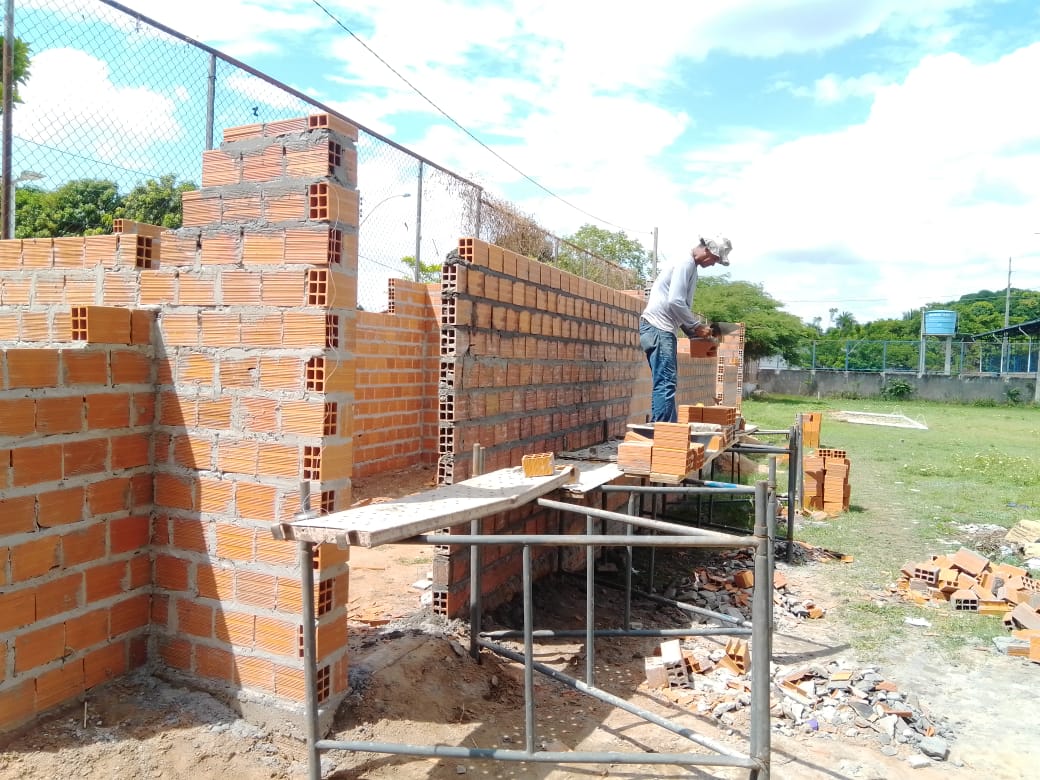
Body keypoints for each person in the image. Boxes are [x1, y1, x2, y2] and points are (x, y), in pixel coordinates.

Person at [639, 235, 732, 423]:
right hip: (658, 329)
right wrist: (696, 326)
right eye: (715, 259)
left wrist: (692, 332)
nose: (714, 264)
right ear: (708, 250)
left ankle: (668, 431)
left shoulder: (689, 265)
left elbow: (674, 305)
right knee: (666, 384)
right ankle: (661, 433)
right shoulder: (686, 263)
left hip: (658, 328)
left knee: (666, 383)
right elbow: (675, 301)